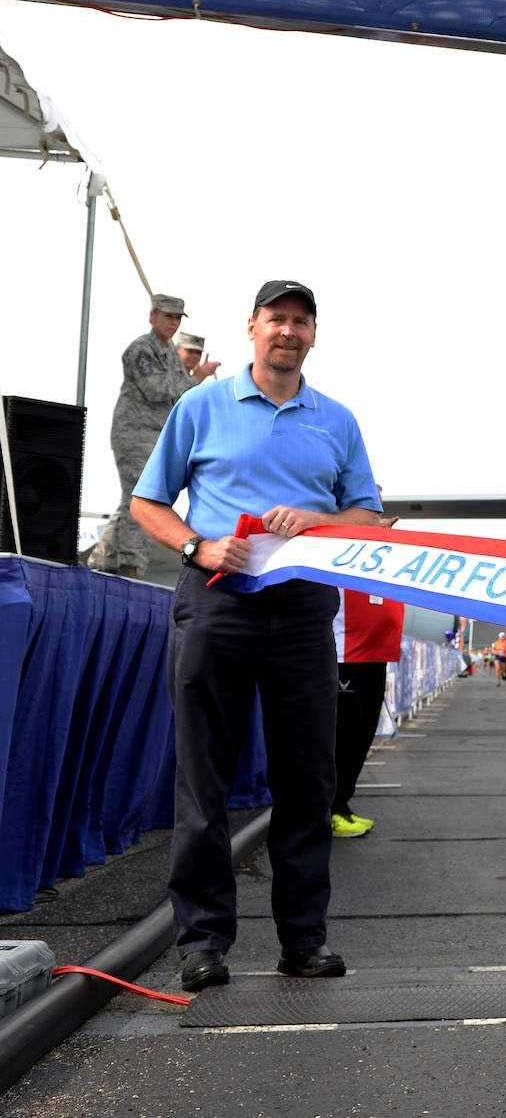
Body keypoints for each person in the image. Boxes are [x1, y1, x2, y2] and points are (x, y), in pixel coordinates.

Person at [128, 280, 380, 991]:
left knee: (308, 779)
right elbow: (148, 501)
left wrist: (317, 519)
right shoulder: (201, 404)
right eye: (278, 318)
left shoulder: (336, 420)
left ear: (313, 335)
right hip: (216, 604)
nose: (289, 331)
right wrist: (198, 547)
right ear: (252, 327)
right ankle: (202, 942)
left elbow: (368, 516)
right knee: (204, 779)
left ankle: (304, 940)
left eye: (302, 321)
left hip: (302, 612)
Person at [89, 293, 217, 578]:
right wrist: (196, 378)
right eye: (168, 316)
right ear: (152, 316)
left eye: (177, 318)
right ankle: (130, 566)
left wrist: (192, 378)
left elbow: (177, 391)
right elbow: (157, 389)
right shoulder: (140, 350)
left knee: (132, 499)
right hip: (134, 434)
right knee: (144, 499)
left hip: (156, 435)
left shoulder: (170, 352)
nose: (173, 322)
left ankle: (102, 560)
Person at [331, 587, 404, 839]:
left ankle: (341, 804)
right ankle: (329, 809)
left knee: (362, 733)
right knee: (345, 734)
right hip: (346, 649)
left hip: (377, 648)